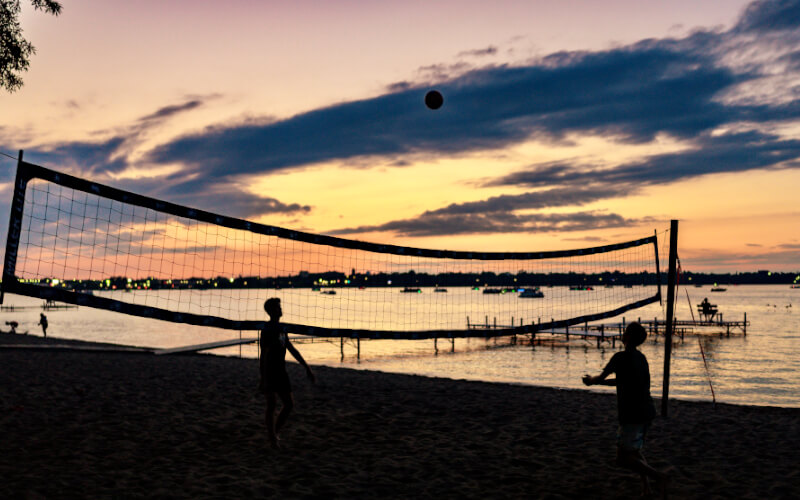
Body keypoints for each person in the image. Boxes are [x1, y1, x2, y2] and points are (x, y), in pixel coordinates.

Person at [582, 322, 668, 497]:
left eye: (626, 332)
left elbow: (602, 377)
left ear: (628, 336)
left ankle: (658, 477)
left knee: (622, 459)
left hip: (632, 414)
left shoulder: (619, 357)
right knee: (634, 452)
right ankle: (647, 488)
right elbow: (621, 381)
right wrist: (595, 382)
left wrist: (592, 380)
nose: (623, 333)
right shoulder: (641, 358)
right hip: (647, 411)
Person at [259, 298, 315, 448]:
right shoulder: (267, 330)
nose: (281, 309)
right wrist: (263, 378)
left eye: (280, 306)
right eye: (278, 307)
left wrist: (306, 366)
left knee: (289, 405)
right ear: (271, 311)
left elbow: (291, 348)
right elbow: (263, 355)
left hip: (281, 370)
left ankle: (274, 434)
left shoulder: (282, 328)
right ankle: (272, 439)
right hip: (270, 370)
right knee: (272, 405)